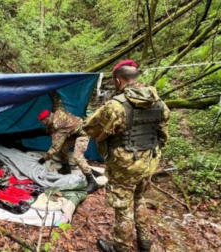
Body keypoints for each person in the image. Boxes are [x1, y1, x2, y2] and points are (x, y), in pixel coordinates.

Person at [83, 60, 170, 252]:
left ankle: (120, 248)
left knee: (123, 206)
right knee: (139, 199)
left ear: (117, 80)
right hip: (149, 160)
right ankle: (145, 242)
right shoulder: (159, 103)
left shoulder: (116, 106)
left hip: (125, 164)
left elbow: (90, 127)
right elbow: (163, 135)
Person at [38, 92, 99, 194]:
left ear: (47, 119)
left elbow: (55, 148)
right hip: (73, 133)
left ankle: (92, 181)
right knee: (64, 149)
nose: (42, 123)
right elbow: (58, 101)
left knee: (77, 156)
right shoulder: (58, 111)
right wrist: (52, 92)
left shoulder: (58, 128)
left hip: (83, 133)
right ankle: (66, 169)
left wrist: (43, 159)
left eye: (43, 121)